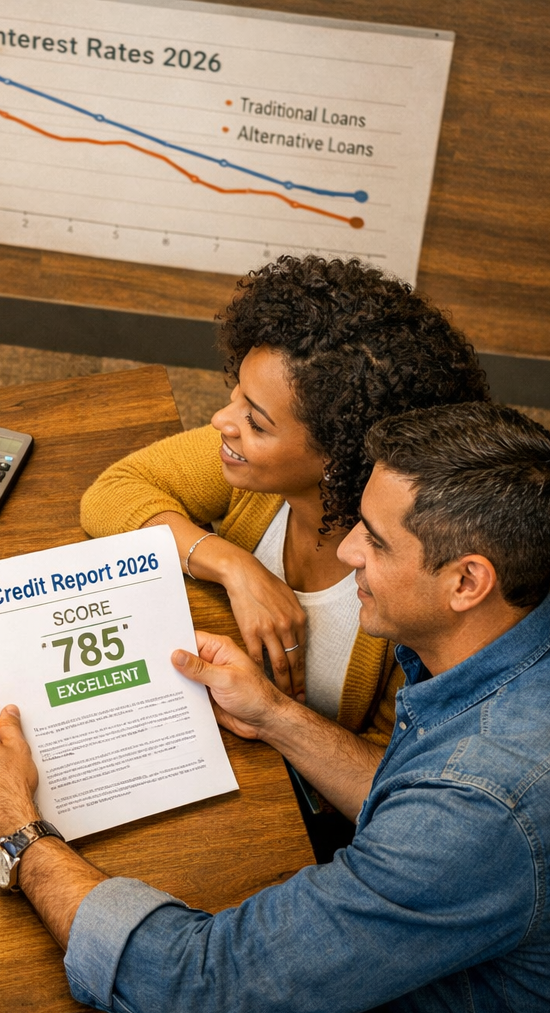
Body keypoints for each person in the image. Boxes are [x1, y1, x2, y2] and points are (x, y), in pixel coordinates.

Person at [0, 402, 550, 1013]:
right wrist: (274, 714)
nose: (346, 552)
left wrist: (15, 827)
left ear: (467, 581)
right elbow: (415, 787)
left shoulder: (479, 811)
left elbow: (198, 987)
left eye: (375, 542)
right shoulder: (543, 582)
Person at [82, 256, 488, 745]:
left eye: (256, 422)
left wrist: (272, 717)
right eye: (237, 395)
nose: (221, 420)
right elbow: (114, 490)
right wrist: (234, 565)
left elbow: (387, 765)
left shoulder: (415, 589)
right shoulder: (253, 475)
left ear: (341, 457)